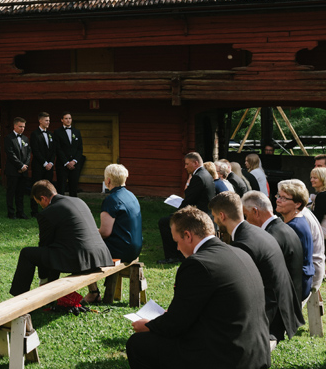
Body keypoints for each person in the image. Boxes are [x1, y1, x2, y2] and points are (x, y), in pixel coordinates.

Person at [126, 206, 271, 369]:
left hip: (227, 357)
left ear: (187, 236)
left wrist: (147, 325)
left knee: (138, 344)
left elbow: (175, 325)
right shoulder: (239, 253)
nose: (177, 248)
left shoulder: (198, 264)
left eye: (177, 242)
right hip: (255, 352)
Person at [209, 192, 303, 341]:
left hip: (271, 318)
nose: (214, 220)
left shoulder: (243, 243)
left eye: (214, 216)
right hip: (282, 305)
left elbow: (242, 288)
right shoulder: (257, 232)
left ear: (222, 216)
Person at [10, 180, 112, 296]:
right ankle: (53, 292)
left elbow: (45, 244)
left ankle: (18, 297)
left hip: (79, 259)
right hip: (99, 255)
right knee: (55, 250)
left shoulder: (48, 212)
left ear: (43, 198)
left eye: (39, 203)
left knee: (26, 253)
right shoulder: (78, 200)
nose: (41, 207)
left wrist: (43, 279)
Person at [84, 164, 142, 304]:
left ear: (108, 181)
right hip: (135, 247)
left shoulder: (111, 200)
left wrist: (88, 235)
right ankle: (95, 292)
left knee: (84, 250)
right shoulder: (131, 195)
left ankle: (93, 292)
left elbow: (104, 232)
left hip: (121, 249)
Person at [243, 191, 305, 303]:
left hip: (280, 306)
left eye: (246, 216)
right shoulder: (286, 228)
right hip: (292, 301)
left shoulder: (269, 237)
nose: (246, 221)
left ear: (255, 212)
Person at [158, 152, 216, 264]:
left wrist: (177, 214)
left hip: (199, 216)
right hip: (205, 213)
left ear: (195, 163)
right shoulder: (206, 174)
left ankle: (173, 256)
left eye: (187, 164)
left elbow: (189, 200)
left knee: (165, 222)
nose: (185, 167)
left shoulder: (198, 177)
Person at [275, 180, 315, 300]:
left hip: (296, 284)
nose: (278, 200)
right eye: (278, 196)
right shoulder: (295, 221)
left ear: (297, 204)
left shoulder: (294, 226)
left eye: (284, 198)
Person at [4, 117, 32, 219]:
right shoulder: (8, 138)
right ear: (15, 126)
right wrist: (20, 165)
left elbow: (28, 153)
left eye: (23, 127)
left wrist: (25, 166)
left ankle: (20, 212)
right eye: (20, 126)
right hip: (12, 170)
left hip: (23, 170)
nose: (22, 129)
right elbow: (10, 154)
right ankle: (11, 213)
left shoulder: (25, 139)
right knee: (11, 192)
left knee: (21, 193)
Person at [30, 112, 55, 217]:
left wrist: (51, 162)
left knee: (48, 188)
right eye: (46, 120)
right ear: (40, 121)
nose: (48, 122)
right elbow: (35, 151)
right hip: (39, 166)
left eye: (49, 120)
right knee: (37, 188)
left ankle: (48, 209)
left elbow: (53, 150)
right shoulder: (35, 134)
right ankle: (34, 211)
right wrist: (45, 163)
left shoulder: (50, 134)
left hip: (49, 167)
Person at [53, 112, 85, 197]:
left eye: (70, 118)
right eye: (66, 118)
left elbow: (80, 148)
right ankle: (60, 207)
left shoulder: (76, 132)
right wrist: (66, 162)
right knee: (61, 188)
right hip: (62, 165)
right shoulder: (57, 132)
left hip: (75, 165)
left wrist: (74, 161)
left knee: (73, 188)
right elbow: (58, 149)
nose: (68, 120)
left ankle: (73, 208)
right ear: (62, 120)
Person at [309, 167, 326, 233]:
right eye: (311, 177)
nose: (311, 180)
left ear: (323, 179)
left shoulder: (322, 196)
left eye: (315, 178)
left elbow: (316, 219)